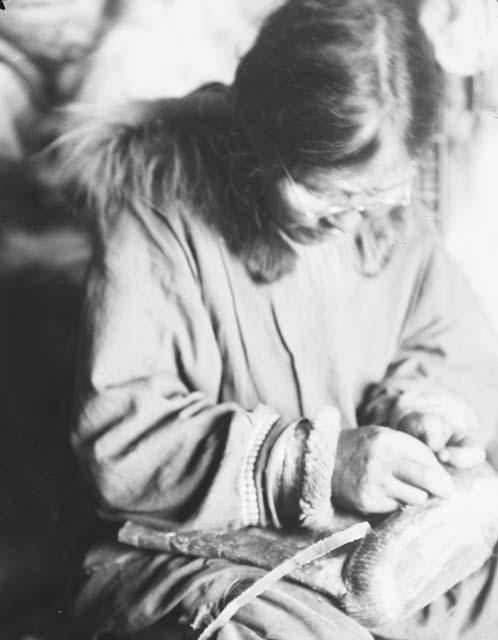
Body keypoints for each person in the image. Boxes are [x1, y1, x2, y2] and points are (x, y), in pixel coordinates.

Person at [58, 0, 498, 638]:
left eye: (375, 195)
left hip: (360, 551)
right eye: (322, 193)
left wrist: (421, 409)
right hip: (197, 555)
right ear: (259, 137)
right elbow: (122, 438)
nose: (349, 220)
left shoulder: (390, 217)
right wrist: (316, 462)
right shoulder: (158, 209)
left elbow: (446, 345)